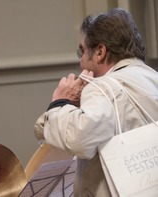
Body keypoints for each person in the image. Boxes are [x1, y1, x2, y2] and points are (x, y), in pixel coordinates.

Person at [34, 8, 158, 196]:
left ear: (100, 52)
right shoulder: (152, 77)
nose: (81, 62)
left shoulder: (101, 87)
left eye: (82, 51)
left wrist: (59, 104)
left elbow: (82, 139)